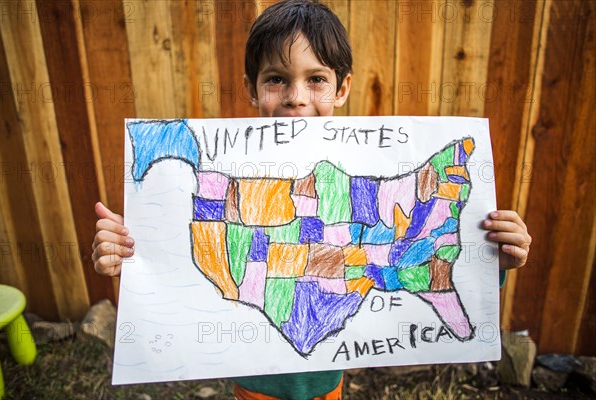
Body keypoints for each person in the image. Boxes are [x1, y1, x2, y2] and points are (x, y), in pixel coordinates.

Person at [92, 1, 532, 398]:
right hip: (254, 386)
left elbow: (412, 249)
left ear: (341, 90)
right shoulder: (228, 169)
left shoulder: (361, 180)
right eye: (276, 80)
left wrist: (493, 260)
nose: (295, 98)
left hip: (328, 385)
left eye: (316, 80)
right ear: (252, 88)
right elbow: (169, 263)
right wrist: (127, 258)